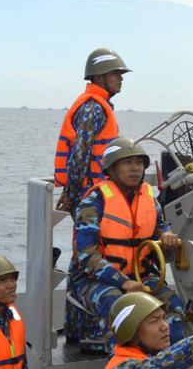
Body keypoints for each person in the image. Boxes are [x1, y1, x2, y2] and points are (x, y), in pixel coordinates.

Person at [67, 136, 186, 350]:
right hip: (94, 280)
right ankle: (124, 365)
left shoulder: (148, 198)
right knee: (118, 306)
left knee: (174, 306)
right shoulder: (93, 202)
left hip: (140, 277)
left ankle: (167, 360)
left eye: (139, 162)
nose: (135, 168)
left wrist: (167, 235)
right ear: (112, 168)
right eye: (127, 162)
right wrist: (122, 282)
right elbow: (87, 257)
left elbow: (159, 226)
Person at [54, 47, 130, 214]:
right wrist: (70, 195)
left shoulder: (98, 106)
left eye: (121, 74)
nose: (121, 78)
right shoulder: (92, 109)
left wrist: (68, 191)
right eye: (115, 73)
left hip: (98, 192)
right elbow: (80, 157)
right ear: (98, 77)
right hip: (90, 196)